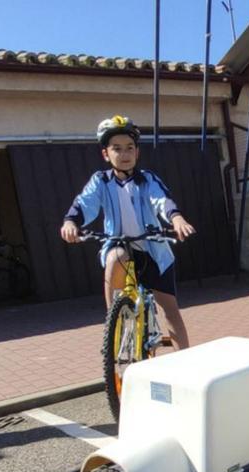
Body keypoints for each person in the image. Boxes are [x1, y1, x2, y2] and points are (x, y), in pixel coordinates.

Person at [60, 115, 195, 349]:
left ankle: (184, 358)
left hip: (152, 250)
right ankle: (113, 320)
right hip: (119, 245)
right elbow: (85, 203)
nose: (124, 154)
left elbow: (161, 200)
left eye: (130, 148)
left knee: (170, 309)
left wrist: (177, 218)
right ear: (106, 154)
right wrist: (71, 222)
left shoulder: (147, 179)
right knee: (115, 256)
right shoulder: (100, 181)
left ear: (137, 152)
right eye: (117, 149)